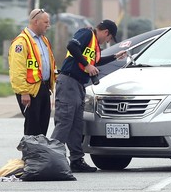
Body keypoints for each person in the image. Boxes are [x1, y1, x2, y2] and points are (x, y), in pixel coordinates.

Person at [51, 19, 126, 172]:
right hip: (68, 82)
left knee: (77, 125)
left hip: (79, 85)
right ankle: (52, 159)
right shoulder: (86, 33)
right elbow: (72, 46)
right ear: (106, 32)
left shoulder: (94, 46)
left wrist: (115, 56)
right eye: (109, 38)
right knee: (65, 121)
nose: (108, 41)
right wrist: (87, 65)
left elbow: (95, 61)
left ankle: (77, 160)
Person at [8, 8, 57, 136]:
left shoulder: (43, 40)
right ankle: (30, 155)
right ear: (36, 22)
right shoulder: (21, 42)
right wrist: (24, 92)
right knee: (33, 126)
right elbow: (17, 70)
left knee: (43, 125)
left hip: (44, 87)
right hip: (30, 91)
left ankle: (39, 154)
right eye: (46, 22)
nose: (48, 25)